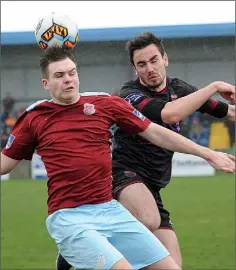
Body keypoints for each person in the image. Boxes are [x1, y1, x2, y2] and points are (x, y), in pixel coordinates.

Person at [1, 46, 235, 270]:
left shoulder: (105, 104)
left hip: (110, 212)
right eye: (59, 75)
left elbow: (155, 131)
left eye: (72, 73)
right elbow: (6, 163)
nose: (68, 79)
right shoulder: (35, 117)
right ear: (46, 83)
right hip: (69, 217)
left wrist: (207, 153)